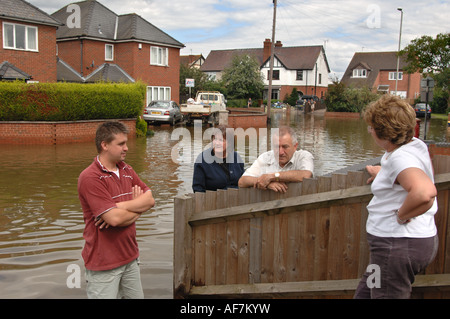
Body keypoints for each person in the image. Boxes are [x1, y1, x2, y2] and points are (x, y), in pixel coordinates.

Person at [354, 94, 438, 299]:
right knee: (365, 295)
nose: (370, 131)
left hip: (396, 246)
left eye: (371, 128)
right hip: (395, 247)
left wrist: (401, 215)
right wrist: (383, 174)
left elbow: (424, 193)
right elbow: (406, 173)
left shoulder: (401, 157)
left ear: (384, 132)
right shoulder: (413, 146)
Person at [78, 121, 155, 299]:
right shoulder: (90, 177)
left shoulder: (127, 170)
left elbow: (150, 200)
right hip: (103, 264)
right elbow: (114, 220)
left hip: (130, 257)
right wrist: (136, 205)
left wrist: (120, 206)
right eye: (121, 144)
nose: (126, 148)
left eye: (126, 143)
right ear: (104, 145)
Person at [238, 126, 313, 193]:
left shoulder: (303, 156)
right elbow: (242, 181)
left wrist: (272, 177)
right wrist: (265, 182)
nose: (280, 152)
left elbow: (306, 175)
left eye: (285, 147)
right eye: (276, 147)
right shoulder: (265, 157)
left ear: (295, 146)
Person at [192, 125, 244, 192]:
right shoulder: (202, 160)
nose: (217, 143)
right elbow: (198, 189)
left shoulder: (236, 157)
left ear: (230, 143)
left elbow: (243, 180)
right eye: (215, 139)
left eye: (221, 140)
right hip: (212, 200)